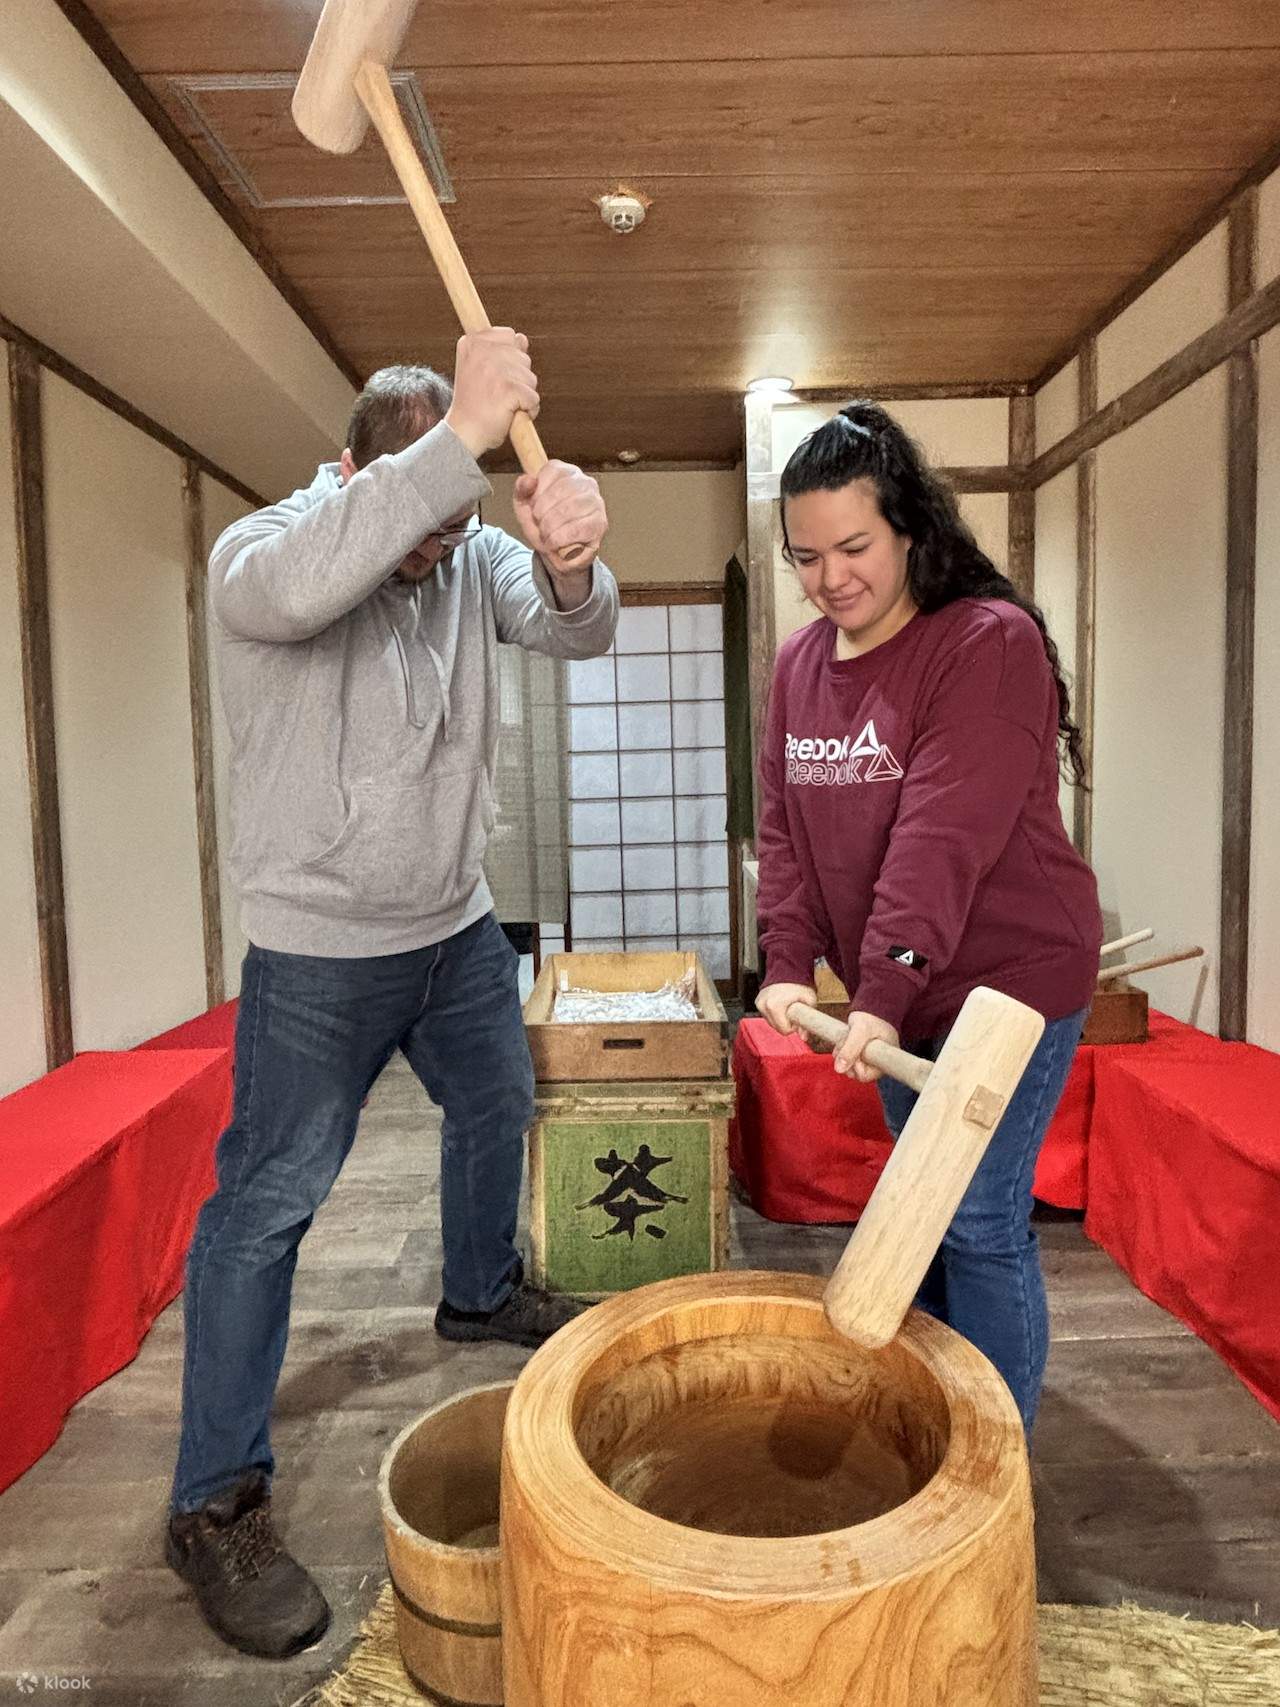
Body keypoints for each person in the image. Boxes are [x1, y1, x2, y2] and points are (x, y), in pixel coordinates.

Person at [166, 330, 618, 1658]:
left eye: (455, 522)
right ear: (352, 465)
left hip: (453, 926)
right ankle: (213, 1499)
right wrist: (457, 444)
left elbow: (578, 631)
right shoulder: (262, 550)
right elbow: (315, 581)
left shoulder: (464, 547)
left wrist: (572, 559)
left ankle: (479, 1289)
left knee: (498, 1099)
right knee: (266, 1206)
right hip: (315, 950)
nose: (436, 547)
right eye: (419, 513)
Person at [754, 401, 1102, 1435]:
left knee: (978, 1217)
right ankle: (938, 1422)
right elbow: (784, 829)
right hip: (905, 994)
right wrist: (785, 958)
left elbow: (940, 838)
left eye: (854, 546)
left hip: (1010, 980)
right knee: (925, 1212)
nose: (830, 577)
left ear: (909, 528)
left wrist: (879, 990)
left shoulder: (984, 643)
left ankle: (993, 1468)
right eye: (805, 555)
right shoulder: (799, 665)